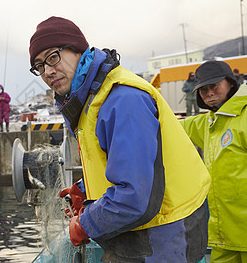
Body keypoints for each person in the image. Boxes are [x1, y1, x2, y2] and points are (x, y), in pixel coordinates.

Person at [29, 16, 211, 262]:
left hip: (165, 235)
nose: (48, 71)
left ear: (77, 50)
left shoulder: (122, 100)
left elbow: (134, 197)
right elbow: (127, 165)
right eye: (39, 66)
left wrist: (84, 224)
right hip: (149, 229)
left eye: (53, 57)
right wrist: (86, 189)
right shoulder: (93, 97)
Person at [180, 60, 247, 263]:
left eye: (214, 86)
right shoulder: (207, 123)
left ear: (231, 84)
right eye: (203, 89)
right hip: (222, 236)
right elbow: (170, 126)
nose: (209, 93)